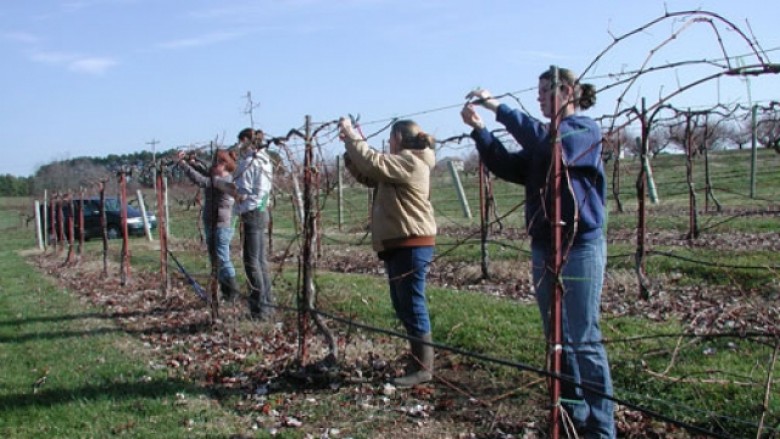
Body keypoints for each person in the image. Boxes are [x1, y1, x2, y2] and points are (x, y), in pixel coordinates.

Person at [460, 67, 615, 438]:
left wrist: (499, 108)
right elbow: (510, 165)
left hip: (579, 246)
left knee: (583, 336)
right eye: (539, 91)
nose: (539, 97)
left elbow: (551, 147)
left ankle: (601, 428)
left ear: (567, 91)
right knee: (557, 337)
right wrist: (481, 130)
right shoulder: (545, 140)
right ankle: (571, 414)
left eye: (545, 91)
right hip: (545, 245)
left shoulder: (583, 131)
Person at [338, 117, 437, 388]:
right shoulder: (400, 164)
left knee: (412, 303)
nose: (388, 144)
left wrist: (351, 135)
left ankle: (424, 368)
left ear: (397, 138)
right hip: (400, 242)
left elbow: (373, 162)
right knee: (402, 303)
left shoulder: (411, 162)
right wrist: (351, 148)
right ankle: (418, 362)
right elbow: (368, 174)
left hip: (412, 241)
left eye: (390, 139)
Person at [176, 149, 240, 301]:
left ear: (224, 164)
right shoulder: (217, 177)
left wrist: (183, 165)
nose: (212, 165)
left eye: (216, 162)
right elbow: (205, 172)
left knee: (223, 258)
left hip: (222, 224)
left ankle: (232, 293)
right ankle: (222, 293)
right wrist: (193, 163)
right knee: (215, 259)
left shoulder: (225, 181)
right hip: (211, 222)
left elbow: (202, 180)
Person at [234, 128, 275, 320]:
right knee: (261, 261)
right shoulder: (266, 161)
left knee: (252, 263)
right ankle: (268, 304)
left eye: (240, 142)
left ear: (245, 141)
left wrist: (227, 188)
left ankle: (259, 309)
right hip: (262, 209)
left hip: (251, 211)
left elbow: (242, 192)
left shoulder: (248, 163)